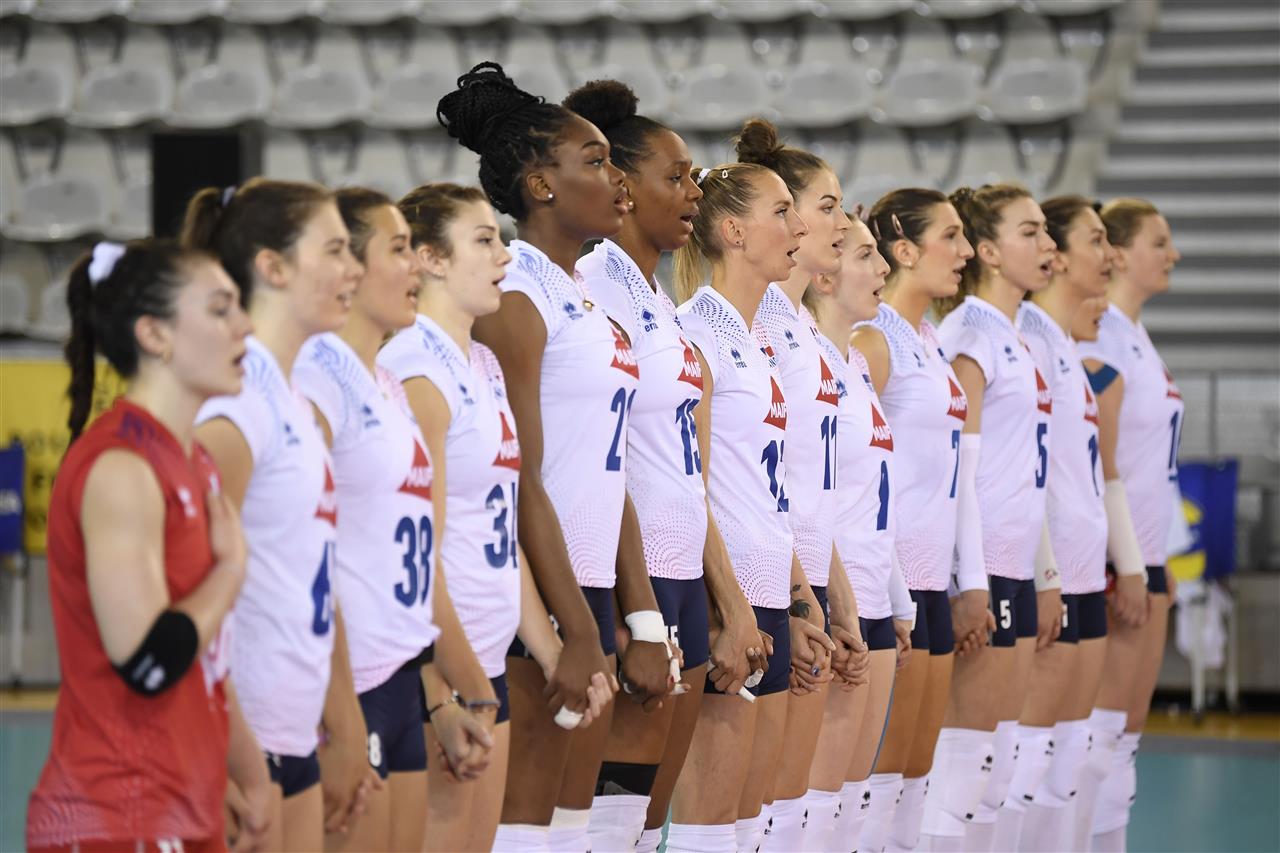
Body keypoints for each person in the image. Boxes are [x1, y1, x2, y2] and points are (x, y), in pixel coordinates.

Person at [436, 61, 674, 852]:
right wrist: (568, 626)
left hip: (589, 592)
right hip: (538, 596)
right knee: (522, 833)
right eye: (596, 162)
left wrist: (635, 614)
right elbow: (521, 478)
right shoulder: (517, 298)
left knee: (575, 834)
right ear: (541, 185)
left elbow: (611, 471)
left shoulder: (585, 298)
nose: (617, 180)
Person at [563, 80, 766, 853]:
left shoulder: (653, 298)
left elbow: (687, 470)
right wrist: (637, 608)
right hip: (629, 575)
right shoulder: (595, 286)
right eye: (674, 177)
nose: (693, 192)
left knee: (648, 825)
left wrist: (722, 597)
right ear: (621, 183)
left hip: (680, 573)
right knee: (601, 819)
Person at [28, 238, 263, 852]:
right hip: (116, 811)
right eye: (220, 310)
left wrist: (247, 772)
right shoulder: (121, 466)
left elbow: (207, 659)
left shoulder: (194, 460)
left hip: (183, 797)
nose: (245, 326)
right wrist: (230, 572)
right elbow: (149, 660)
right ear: (155, 335)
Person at [291, 187, 499, 853]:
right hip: (349, 681)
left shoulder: (381, 380)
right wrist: (340, 711)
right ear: (349, 267)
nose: (414, 266)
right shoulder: (318, 377)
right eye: (399, 250)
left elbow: (413, 550)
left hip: (403, 672)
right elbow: (303, 555)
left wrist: (453, 691)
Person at [379, 182, 576, 851]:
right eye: (485, 240)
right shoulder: (415, 370)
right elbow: (413, 550)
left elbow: (500, 528)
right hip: (439, 667)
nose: (505, 255)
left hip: (488, 661)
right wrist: (442, 686)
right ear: (431, 259)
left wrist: (551, 651)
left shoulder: (483, 361)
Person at [185, 180, 375, 851]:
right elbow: (184, 590)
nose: (354, 270)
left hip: (294, 733)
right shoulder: (235, 405)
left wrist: (344, 721)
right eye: (334, 251)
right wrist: (218, 749)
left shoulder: (289, 399)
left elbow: (312, 570)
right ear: (272, 267)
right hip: (243, 740)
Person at [668, 161, 829, 853]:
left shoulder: (756, 340)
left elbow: (771, 490)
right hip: (726, 600)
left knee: (756, 827)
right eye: (782, 212)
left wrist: (800, 600)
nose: (799, 228)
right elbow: (690, 485)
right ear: (734, 232)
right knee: (710, 830)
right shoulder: (695, 332)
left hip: (768, 592)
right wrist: (730, 608)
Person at [734, 120, 869, 851]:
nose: (841, 222)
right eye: (826, 205)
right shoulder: (753, 327)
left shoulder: (801, 331)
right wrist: (800, 597)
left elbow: (811, 491)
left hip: (803, 579)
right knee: (757, 813)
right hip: (765, 584)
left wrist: (834, 594)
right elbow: (758, 483)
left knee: (797, 812)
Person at [923, 183, 1061, 853]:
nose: (1047, 244)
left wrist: (1043, 570)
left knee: (1000, 767)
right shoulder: (971, 334)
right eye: (1029, 232)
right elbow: (958, 472)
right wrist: (969, 579)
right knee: (964, 772)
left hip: (1013, 564)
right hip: (980, 570)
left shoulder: (1015, 335)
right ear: (989, 251)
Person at [850, 189, 977, 852]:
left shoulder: (928, 339)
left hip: (931, 582)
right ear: (903, 249)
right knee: (876, 783)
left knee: (914, 782)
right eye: (950, 237)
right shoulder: (875, 340)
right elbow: (856, 470)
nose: (966, 251)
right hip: (891, 582)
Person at [1000, 197, 1119, 851]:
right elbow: (1025, 471)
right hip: (1048, 572)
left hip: (1082, 566)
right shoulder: (1030, 338)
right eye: (1094, 240)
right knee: (1024, 764)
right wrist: (1045, 572)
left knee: (1073, 758)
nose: (1110, 254)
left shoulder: (1060, 342)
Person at [1076, 198, 1184, 853]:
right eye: (1159, 242)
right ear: (1118, 252)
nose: (1173, 255)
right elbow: (1102, 461)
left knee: (1125, 736)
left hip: (1150, 552)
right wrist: (1128, 563)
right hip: (1122, 560)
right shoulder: (1102, 335)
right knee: (1101, 734)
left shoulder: (1134, 335)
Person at [808, 213, 917, 852]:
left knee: (850, 811)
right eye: (867, 256)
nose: (883, 269)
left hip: (873, 602)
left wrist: (898, 600)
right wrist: (834, 602)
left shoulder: (854, 364)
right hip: (832, 607)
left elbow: (877, 493)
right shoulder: (807, 361)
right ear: (825, 275)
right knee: (811, 813)